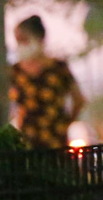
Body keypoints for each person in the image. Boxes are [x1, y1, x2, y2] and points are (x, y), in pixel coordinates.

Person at [10, 15, 86, 149]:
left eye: (24, 40)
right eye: (18, 41)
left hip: (55, 143)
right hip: (27, 143)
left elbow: (79, 100)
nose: (21, 45)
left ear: (39, 39)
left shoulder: (58, 69)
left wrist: (65, 125)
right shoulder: (16, 71)